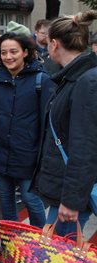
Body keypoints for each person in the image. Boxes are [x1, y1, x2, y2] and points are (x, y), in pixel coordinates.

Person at [0, 32, 56, 229]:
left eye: (13, 51)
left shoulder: (41, 80)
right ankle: (11, 240)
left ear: (25, 52)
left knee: (31, 201)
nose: (8, 57)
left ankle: (40, 242)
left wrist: (43, 154)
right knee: (6, 200)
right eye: (3, 52)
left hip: (27, 154)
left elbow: (46, 123)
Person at [31, 10, 97, 236]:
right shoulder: (77, 76)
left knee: (58, 254)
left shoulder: (85, 81)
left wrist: (71, 201)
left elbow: (84, 145)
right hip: (68, 189)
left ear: (54, 44)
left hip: (70, 196)